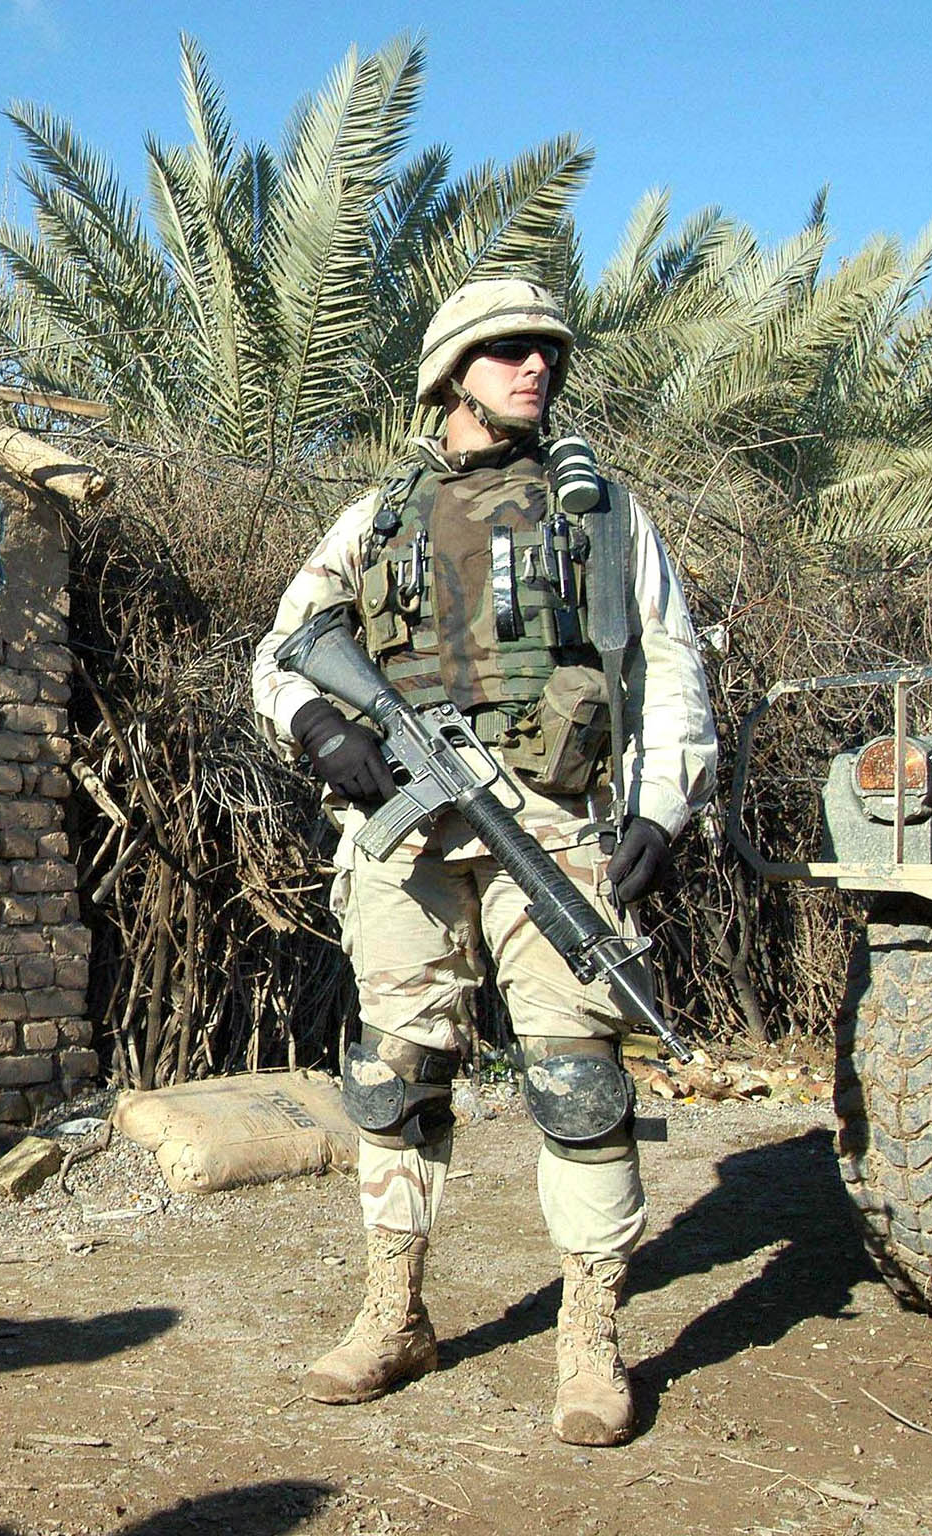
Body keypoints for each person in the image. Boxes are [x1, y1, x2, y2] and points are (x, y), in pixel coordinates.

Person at [251, 277, 716, 1446]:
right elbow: (282, 653)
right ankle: (392, 1313)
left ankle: (587, 1338)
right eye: (506, 349)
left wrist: (659, 807)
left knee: (575, 1079)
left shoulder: (600, 513)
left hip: (551, 827)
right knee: (393, 1073)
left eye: (546, 352)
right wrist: (322, 732)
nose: (533, 368)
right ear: (450, 371)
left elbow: (667, 664)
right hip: (407, 836)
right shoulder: (377, 515)